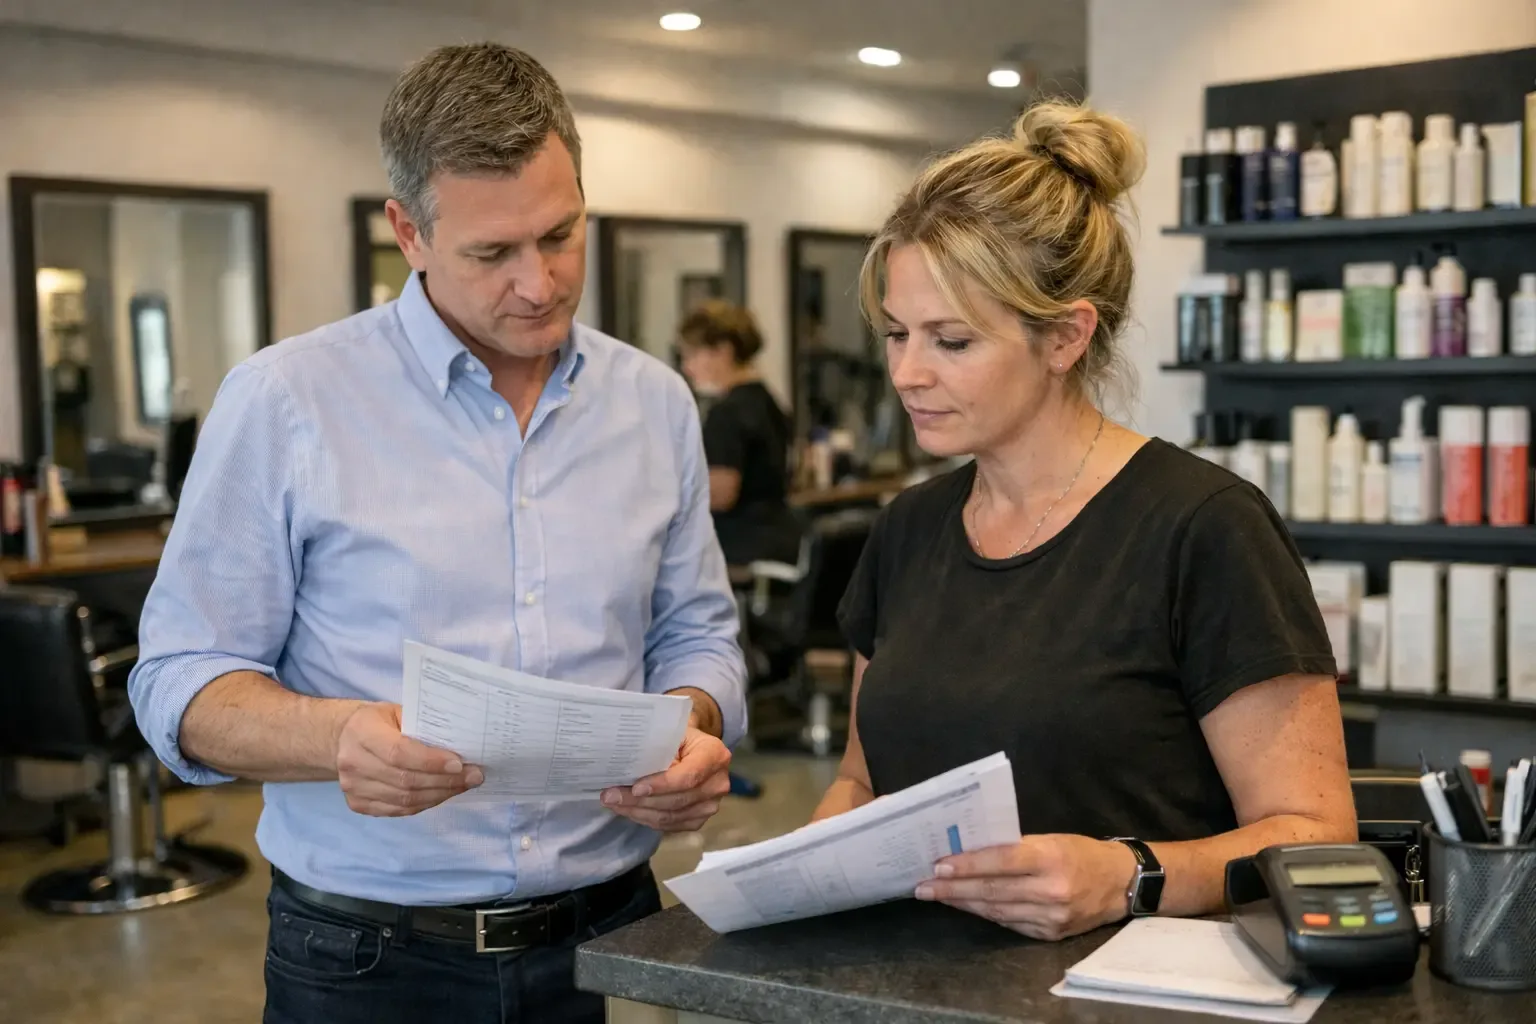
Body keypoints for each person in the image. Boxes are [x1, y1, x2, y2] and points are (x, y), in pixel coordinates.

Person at [127, 43, 746, 1024]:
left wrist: (695, 728)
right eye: (493, 254)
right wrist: (339, 737)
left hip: (616, 938)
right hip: (370, 962)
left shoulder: (655, 403)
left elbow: (699, 635)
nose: (539, 284)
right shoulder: (287, 403)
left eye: (562, 234)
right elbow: (179, 685)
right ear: (407, 231)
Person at [810, 101, 1355, 941]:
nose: (908, 373)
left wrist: (1127, 874)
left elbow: (1316, 836)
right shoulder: (908, 530)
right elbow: (860, 782)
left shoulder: (1203, 529)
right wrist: (809, 859)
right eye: (895, 333)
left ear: (1064, 337)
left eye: (951, 342)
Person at [676, 301, 802, 571]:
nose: (687, 368)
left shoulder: (727, 413)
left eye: (692, 355)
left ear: (723, 351)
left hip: (743, 545)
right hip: (779, 535)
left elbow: (722, 493)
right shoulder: (767, 400)